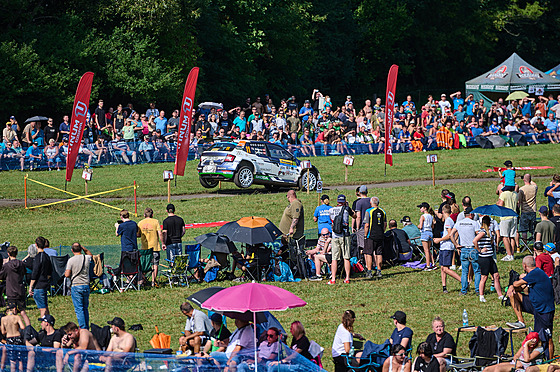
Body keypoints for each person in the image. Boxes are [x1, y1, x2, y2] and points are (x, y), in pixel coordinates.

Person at [506, 256, 555, 356]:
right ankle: (521, 321)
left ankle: (549, 362)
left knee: (547, 338)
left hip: (545, 310)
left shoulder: (536, 273)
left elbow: (517, 283)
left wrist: (512, 285)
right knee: (513, 294)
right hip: (535, 305)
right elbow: (519, 288)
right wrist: (512, 288)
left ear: (524, 266)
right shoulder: (533, 274)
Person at [449, 207, 481, 295]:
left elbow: (451, 235)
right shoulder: (475, 223)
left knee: (464, 271)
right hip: (473, 249)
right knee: (477, 271)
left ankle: (463, 290)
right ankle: (478, 290)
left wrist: (456, 244)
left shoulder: (459, 223)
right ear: (471, 214)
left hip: (463, 249)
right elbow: (479, 235)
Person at [473, 215, 504, 302]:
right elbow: (474, 241)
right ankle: (481, 296)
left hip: (490, 257)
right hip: (484, 258)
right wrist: (479, 250)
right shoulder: (482, 232)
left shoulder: (489, 232)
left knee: (496, 275)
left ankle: (500, 295)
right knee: (484, 277)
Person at [64, 243, 93, 330]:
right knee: (85, 308)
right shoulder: (86, 258)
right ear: (80, 249)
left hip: (76, 285)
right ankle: (86, 326)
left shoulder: (71, 260)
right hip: (86, 285)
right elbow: (91, 255)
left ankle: (83, 328)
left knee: (79, 309)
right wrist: (84, 249)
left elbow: (67, 274)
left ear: (72, 250)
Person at [0, 245, 31, 326]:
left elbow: (1, 276)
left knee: (12, 313)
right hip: (20, 290)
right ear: (16, 253)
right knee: (23, 312)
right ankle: (29, 328)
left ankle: (13, 330)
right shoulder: (21, 264)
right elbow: (24, 272)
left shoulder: (7, 266)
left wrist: (4, 264)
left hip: (11, 291)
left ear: (8, 254)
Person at [433, 205, 461, 293]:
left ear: (443, 212)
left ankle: (463, 282)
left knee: (445, 269)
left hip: (447, 247)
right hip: (444, 247)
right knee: (442, 268)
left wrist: (439, 239)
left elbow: (450, 235)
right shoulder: (449, 220)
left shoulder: (448, 221)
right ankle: (444, 287)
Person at [328, 194, 355, 284]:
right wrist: (347, 206)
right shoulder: (347, 209)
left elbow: (331, 221)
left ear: (337, 201)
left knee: (334, 258)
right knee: (346, 257)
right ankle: (347, 278)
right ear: (344, 201)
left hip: (335, 236)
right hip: (345, 236)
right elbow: (354, 216)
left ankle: (333, 279)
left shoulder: (331, 210)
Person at [137, 207, 164, 287]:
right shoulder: (156, 221)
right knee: (155, 264)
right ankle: (153, 281)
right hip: (155, 247)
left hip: (145, 248)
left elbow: (138, 234)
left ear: (144, 215)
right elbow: (160, 233)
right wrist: (163, 243)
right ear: (152, 214)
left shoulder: (140, 223)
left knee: (144, 265)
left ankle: (143, 280)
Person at [28, 236, 53, 317]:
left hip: (38, 285)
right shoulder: (46, 256)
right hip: (45, 283)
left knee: (42, 309)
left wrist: (30, 287)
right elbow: (50, 271)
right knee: (45, 306)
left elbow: (35, 273)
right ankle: (49, 323)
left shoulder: (38, 258)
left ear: (36, 245)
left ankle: (44, 326)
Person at [364, 196, 387, 278]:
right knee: (379, 253)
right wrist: (382, 232)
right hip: (380, 235)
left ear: (370, 203)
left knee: (369, 253)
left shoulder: (368, 211)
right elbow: (385, 224)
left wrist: (365, 235)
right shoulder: (383, 212)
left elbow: (366, 225)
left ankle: (369, 271)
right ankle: (379, 270)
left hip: (371, 235)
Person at [497, 187, 518, 261]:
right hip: (514, 216)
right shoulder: (515, 194)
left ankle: (509, 255)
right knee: (512, 237)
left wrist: (498, 200)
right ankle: (512, 254)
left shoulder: (504, 194)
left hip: (505, 217)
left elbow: (500, 205)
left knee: (505, 237)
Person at [353, 186, 371, 268]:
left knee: (363, 247)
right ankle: (374, 264)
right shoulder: (371, 201)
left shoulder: (359, 202)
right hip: (372, 226)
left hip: (363, 227)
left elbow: (358, 216)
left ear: (359, 192)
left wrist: (357, 227)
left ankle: (366, 265)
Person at [518, 174, 538, 244]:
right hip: (533, 210)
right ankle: (535, 243)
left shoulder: (521, 189)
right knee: (533, 229)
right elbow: (534, 184)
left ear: (524, 180)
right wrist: (529, 179)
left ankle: (525, 245)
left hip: (524, 211)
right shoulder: (534, 187)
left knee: (524, 230)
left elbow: (519, 201)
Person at [417, 202, 436, 271]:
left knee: (426, 251)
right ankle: (433, 264)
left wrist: (418, 226)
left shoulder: (423, 216)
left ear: (425, 208)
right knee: (429, 249)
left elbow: (421, 226)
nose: (420, 209)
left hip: (424, 233)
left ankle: (428, 266)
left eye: (421, 207)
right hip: (430, 233)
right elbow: (432, 226)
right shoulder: (431, 216)